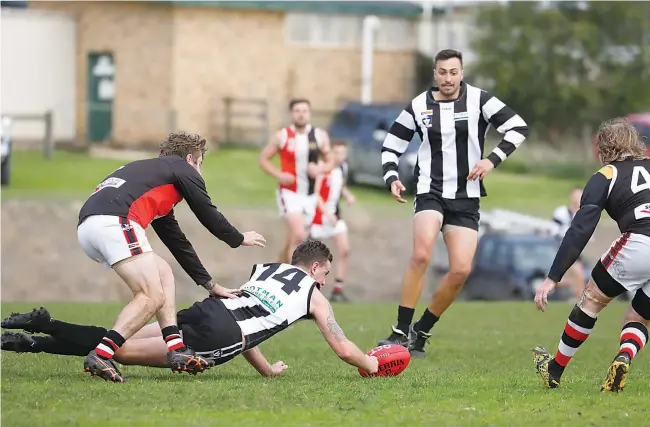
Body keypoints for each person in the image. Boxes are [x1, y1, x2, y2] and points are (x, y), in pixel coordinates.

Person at [1, 240, 380, 377]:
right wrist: (374, 364)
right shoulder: (314, 296)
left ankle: (38, 335)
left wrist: (265, 369)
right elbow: (345, 349)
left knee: (114, 340)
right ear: (314, 266)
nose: (325, 282)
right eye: (325, 274)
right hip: (221, 333)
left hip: (207, 311)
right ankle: (42, 330)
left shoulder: (267, 269)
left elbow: (248, 314)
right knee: (124, 352)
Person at [75, 131, 266, 382]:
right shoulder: (182, 168)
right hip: (115, 222)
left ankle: (176, 349)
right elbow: (207, 212)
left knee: (163, 272)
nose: (200, 172)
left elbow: (177, 241)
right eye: (200, 165)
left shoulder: (155, 178)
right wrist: (238, 238)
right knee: (150, 296)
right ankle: (102, 353)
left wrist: (210, 284)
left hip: (90, 227)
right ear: (191, 160)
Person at [531, 118, 650, 392]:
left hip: (642, 240)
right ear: (635, 143)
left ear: (603, 149)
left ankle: (555, 370)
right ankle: (623, 358)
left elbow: (581, 228)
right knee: (638, 319)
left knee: (592, 300)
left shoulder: (606, 175)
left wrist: (553, 277)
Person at [377, 48, 529, 357]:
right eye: (442, 72)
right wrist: (392, 177)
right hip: (429, 190)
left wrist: (492, 160)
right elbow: (391, 145)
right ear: (435, 74)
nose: (448, 78)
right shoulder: (419, 105)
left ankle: (421, 330)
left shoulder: (479, 100)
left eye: (453, 72)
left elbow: (518, 127)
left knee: (460, 270)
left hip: (466, 197)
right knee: (421, 254)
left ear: (462, 73)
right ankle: (399, 331)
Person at [259, 99, 334, 264]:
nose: (301, 114)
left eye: (304, 111)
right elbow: (263, 160)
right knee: (299, 235)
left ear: (310, 114)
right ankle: (293, 279)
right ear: (291, 114)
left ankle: (279, 268)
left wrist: (320, 169)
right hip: (289, 192)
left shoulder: (320, 136)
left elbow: (331, 162)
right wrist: (279, 175)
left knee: (294, 239)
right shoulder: (282, 136)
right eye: (297, 111)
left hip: (310, 194)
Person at [309, 140, 356, 302]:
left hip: (335, 216)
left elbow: (340, 185)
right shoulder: (323, 168)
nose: (339, 156)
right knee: (314, 256)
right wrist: (326, 213)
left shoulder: (343, 168)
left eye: (342, 153)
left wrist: (347, 195)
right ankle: (309, 289)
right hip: (320, 217)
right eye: (336, 153)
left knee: (344, 249)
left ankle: (337, 290)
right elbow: (316, 194)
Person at [551, 187, 587, 299]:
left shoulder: (584, 213)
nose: (578, 198)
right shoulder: (561, 212)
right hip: (564, 247)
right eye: (576, 195)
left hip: (576, 248)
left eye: (580, 195)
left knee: (571, 278)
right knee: (578, 275)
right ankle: (580, 302)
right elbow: (554, 230)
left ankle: (543, 287)